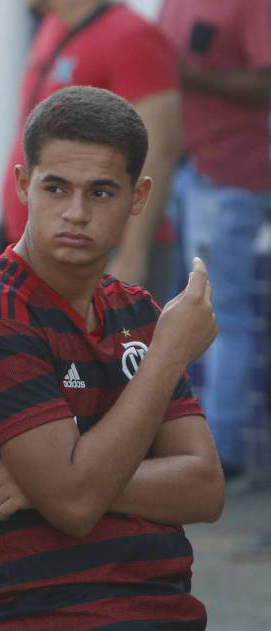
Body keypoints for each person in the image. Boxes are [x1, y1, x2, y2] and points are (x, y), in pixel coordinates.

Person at [0, 86, 223, 629]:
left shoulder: (137, 311)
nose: (76, 213)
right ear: (22, 185)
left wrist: (57, 481)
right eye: (56, 188)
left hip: (171, 613)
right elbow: (75, 502)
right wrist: (168, 354)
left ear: (139, 196)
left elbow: (204, 488)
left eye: (102, 192)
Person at [158, 0, 271, 480]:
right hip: (188, 167)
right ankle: (200, 443)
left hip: (231, 172)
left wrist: (192, 77)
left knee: (223, 312)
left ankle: (219, 451)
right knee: (194, 306)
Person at [0, 0, 182, 289]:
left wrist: (133, 257)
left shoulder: (131, 35)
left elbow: (161, 148)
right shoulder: (54, 24)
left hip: (98, 257)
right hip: (41, 251)